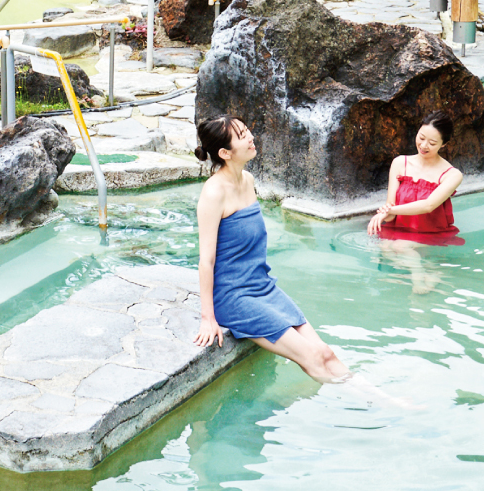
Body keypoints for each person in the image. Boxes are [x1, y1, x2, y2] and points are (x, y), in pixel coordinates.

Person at [191, 114, 355, 384]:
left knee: (325, 352)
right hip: (234, 297)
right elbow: (206, 261)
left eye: (247, 130)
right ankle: (366, 410)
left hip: (262, 286)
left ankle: (381, 399)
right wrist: (208, 317)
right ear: (225, 152)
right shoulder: (213, 192)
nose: (251, 137)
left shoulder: (248, 180)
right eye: (242, 136)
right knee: (312, 357)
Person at [367, 111, 464, 245]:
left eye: (432, 143)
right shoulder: (399, 163)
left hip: (428, 233)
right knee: (386, 247)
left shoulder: (452, 175)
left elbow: (428, 205)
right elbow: (391, 208)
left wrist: (390, 210)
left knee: (402, 247)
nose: (424, 145)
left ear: (443, 144)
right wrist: (384, 214)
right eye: (421, 137)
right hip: (398, 229)